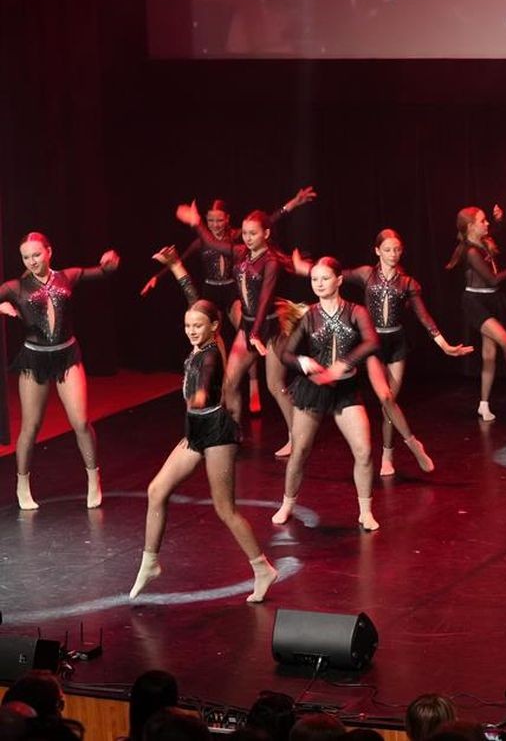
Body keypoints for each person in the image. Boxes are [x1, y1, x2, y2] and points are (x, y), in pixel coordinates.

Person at [128, 248, 277, 602]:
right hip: (195, 431)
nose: (192, 331)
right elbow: (194, 300)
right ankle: (150, 562)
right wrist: (176, 267)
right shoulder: (206, 335)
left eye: (198, 326)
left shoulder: (211, 353)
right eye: (187, 326)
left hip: (216, 433)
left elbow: (206, 381)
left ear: (214, 327)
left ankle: (262, 568)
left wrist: (197, 396)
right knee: (156, 490)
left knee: (225, 509)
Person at [295, 230, 472, 475]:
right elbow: (334, 274)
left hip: (396, 343)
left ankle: (395, 451)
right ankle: (402, 448)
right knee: (385, 397)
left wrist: (443, 344)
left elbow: (423, 315)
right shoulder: (366, 274)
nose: (392, 254)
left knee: (389, 402)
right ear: (377, 251)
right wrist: (303, 268)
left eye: (397, 250)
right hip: (373, 343)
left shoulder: (407, 282)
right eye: (387, 249)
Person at [143, 188, 316, 415]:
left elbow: (264, 296)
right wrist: (159, 274)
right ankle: (222, 408)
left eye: (219, 220)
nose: (215, 224)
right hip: (226, 304)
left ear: (227, 220)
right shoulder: (233, 248)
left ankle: (260, 393)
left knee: (271, 378)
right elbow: (194, 252)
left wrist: (292, 204)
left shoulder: (255, 251)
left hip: (251, 309)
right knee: (223, 364)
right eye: (210, 221)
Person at [0, 232, 119, 510]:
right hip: (35, 358)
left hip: (67, 355)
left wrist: (110, 264)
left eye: (36, 255)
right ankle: (22, 484)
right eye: (26, 257)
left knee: (80, 421)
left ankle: (93, 479)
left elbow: (103, 272)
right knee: (30, 427)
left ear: (49, 252)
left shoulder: (68, 276)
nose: (32, 261)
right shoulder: (15, 286)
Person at [176, 201, 296, 456]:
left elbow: (264, 300)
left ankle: (297, 437)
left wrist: (256, 332)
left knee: (275, 385)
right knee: (229, 383)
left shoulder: (271, 262)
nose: (248, 238)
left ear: (266, 234)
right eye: (245, 233)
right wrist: (196, 222)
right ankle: (232, 435)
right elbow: (211, 243)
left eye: (253, 233)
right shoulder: (241, 252)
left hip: (271, 326)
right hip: (248, 326)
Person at [271, 257, 381, 531]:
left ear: (339, 280)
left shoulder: (355, 311)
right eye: (314, 279)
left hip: (345, 389)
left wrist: (344, 363)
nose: (319, 284)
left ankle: (365, 511)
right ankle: (287, 504)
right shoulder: (309, 315)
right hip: (314, 388)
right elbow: (286, 353)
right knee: (300, 451)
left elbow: (372, 342)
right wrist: (303, 362)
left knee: (364, 451)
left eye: (325, 278)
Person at [445, 205, 506, 421]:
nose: (486, 223)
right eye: (482, 221)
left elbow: (494, 231)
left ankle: (483, 404)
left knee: (489, 355)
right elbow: (492, 280)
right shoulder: (471, 252)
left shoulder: (482, 241)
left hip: (491, 300)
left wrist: (499, 220)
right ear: (471, 227)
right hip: (475, 303)